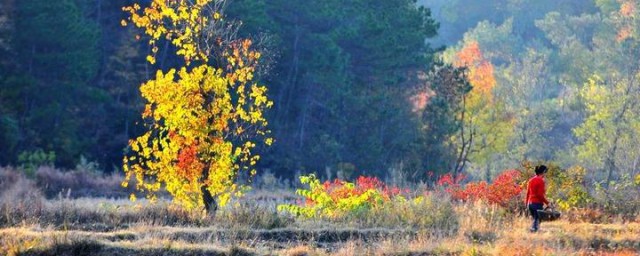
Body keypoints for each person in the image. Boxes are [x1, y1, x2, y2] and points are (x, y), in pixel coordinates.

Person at [525, 165, 550, 232]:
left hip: (530, 203)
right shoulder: (540, 181)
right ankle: (534, 234)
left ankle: (533, 233)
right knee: (537, 220)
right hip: (537, 204)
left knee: (535, 219)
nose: (546, 174)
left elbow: (528, 193)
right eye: (545, 172)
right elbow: (540, 195)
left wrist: (526, 204)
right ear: (543, 172)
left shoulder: (530, 180)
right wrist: (547, 203)